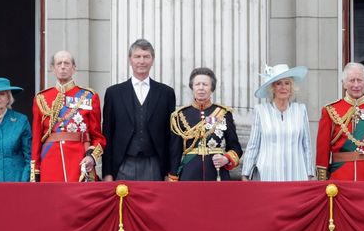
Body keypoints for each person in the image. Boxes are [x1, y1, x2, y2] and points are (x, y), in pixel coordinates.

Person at [102, 39, 176, 182]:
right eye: (137, 56)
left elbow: (171, 136)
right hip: (123, 164)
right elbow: (107, 134)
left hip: (154, 164)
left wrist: (169, 171)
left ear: (152, 60)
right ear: (130, 60)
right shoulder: (114, 93)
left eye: (146, 56)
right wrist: (107, 172)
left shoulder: (166, 93)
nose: (142, 61)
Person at [31, 51, 105, 182]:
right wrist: (35, 172)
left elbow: (98, 138)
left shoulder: (89, 96)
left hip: (78, 162)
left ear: (74, 68)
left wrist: (91, 157)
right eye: (59, 63)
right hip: (50, 163)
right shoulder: (41, 98)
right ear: (52, 69)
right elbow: (37, 139)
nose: (63, 66)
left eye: (67, 63)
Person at [315, 62, 364, 181]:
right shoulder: (330, 110)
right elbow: (322, 151)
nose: (356, 85)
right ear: (344, 83)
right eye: (352, 80)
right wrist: (322, 183)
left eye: (360, 80)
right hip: (340, 177)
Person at [241, 64, 314, 181]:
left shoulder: (300, 110)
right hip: (267, 174)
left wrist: (310, 173)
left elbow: (306, 145)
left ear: (291, 87)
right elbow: (253, 145)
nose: (283, 87)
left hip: (296, 173)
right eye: (278, 83)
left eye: (287, 83)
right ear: (272, 88)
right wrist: (245, 174)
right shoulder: (261, 111)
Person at [169, 67, 242, 181]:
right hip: (190, 173)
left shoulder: (223, 113)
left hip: (217, 173)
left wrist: (226, 159)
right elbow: (175, 152)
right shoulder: (180, 115)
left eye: (205, 84)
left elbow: (235, 147)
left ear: (212, 88)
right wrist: (173, 176)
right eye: (197, 84)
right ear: (192, 87)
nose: (201, 88)